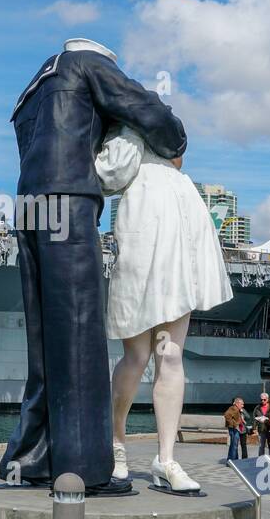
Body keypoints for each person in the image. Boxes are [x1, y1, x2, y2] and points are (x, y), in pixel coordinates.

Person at [0, 38, 187, 497]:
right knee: (80, 335)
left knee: (45, 341)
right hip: (68, 200)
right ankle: (84, 469)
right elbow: (148, 110)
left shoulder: (33, 86)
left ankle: (30, 460)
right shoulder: (89, 64)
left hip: (29, 205)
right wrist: (175, 138)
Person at [95, 118, 233, 494]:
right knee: (139, 357)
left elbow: (115, 172)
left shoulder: (144, 133)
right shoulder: (131, 132)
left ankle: (166, 458)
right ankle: (116, 443)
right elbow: (110, 176)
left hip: (179, 236)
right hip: (153, 235)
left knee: (169, 356)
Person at [223, 396, 250, 464]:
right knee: (234, 445)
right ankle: (233, 461)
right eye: (242, 404)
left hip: (236, 429)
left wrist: (241, 421)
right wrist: (235, 424)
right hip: (234, 429)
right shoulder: (233, 408)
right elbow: (226, 415)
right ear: (237, 403)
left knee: (233, 445)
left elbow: (241, 417)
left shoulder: (237, 409)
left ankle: (232, 460)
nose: (243, 405)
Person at [254, 391, 270, 456]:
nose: (263, 401)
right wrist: (254, 428)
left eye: (264, 399)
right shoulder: (257, 407)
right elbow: (254, 418)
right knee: (261, 446)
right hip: (261, 430)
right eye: (261, 400)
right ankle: (260, 460)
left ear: (267, 399)